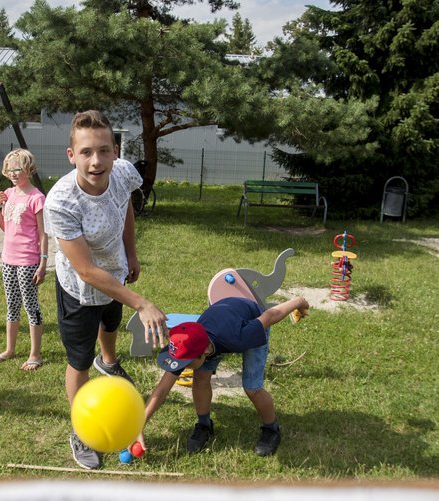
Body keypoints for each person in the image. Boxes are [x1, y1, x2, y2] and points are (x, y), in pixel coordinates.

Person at [43, 110, 168, 470]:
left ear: (114, 151)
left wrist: (130, 252)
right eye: (86, 152)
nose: (96, 161)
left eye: (103, 151)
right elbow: (85, 269)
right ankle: (81, 430)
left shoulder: (124, 172)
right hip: (79, 288)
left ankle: (109, 361)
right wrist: (141, 303)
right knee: (78, 359)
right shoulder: (62, 202)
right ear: (72, 155)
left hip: (115, 272)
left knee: (110, 324)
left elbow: (125, 204)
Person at [142, 296, 310, 457]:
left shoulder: (241, 336)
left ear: (205, 352)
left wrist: (298, 302)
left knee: (253, 388)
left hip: (250, 318)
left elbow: (270, 315)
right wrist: (138, 426)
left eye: (185, 362)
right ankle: (204, 425)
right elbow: (162, 389)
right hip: (221, 322)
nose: (181, 367)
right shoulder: (188, 343)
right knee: (200, 378)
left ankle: (271, 429)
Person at [0, 149, 48, 370]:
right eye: (9, 169)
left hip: (28, 260)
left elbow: (43, 234)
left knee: (31, 306)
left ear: (29, 170)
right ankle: (10, 349)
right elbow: (7, 228)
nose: (13, 173)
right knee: (11, 305)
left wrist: (42, 264)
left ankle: (35, 354)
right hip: (8, 259)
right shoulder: (8, 194)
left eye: (18, 169)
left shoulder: (37, 198)